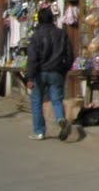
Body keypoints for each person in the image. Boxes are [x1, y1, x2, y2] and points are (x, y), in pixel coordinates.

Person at [26, 7, 73, 141]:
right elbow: (70, 55)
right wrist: (64, 69)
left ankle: (39, 131)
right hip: (57, 72)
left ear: (39, 20)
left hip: (39, 73)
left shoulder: (36, 36)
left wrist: (29, 77)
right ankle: (60, 118)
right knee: (57, 100)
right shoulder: (61, 34)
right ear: (52, 18)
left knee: (36, 102)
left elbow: (32, 58)